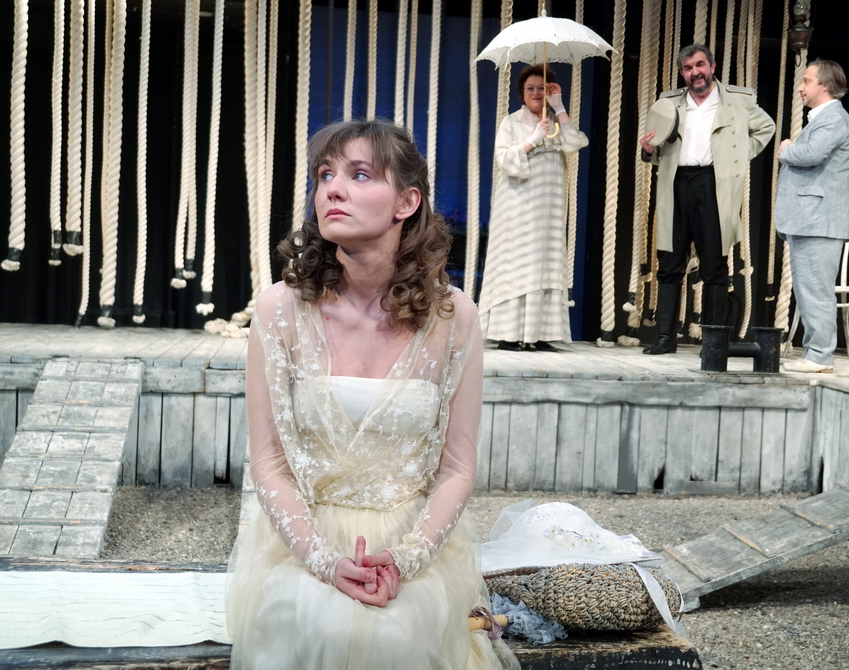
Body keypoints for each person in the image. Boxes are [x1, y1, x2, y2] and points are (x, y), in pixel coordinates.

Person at [226, 119, 518, 670]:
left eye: (359, 175)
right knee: (321, 625)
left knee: (397, 637)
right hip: (304, 538)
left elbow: (457, 467)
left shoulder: (454, 317)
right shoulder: (278, 310)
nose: (333, 190)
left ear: (406, 202)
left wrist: (406, 561)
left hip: (411, 540)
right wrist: (321, 560)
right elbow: (267, 463)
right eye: (325, 175)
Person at [640, 43, 775, 355]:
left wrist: (736, 156)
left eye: (700, 65)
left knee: (714, 264)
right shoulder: (668, 103)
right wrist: (648, 151)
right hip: (676, 183)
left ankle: (713, 343)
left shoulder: (737, 101)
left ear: (712, 67)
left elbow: (765, 128)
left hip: (712, 184)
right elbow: (655, 148)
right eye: (688, 68)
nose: (695, 72)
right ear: (682, 73)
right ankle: (666, 338)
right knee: (670, 263)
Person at [477, 64, 589, 352]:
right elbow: (503, 159)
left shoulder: (555, 121)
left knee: (544, 263)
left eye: (542, 88)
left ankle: (540, 334)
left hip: (548, 209)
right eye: (531, 88)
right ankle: (508, 333)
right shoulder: (511, 122)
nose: (536, 93)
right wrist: (532, 139)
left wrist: (559, 108)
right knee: (516, 263)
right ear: (522, 93)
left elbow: (575, 142)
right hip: (517, 204)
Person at [775, 59, 849, 374]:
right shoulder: (824, 119)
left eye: (807, 81)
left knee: (815, 289)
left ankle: (820, 356)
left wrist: (786, 149)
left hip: (819, 221)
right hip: (811, 219)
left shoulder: (833, 118)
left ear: (824, 85)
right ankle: (815, 353)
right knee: (809, 288)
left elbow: (811, 154)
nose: (800, 87)